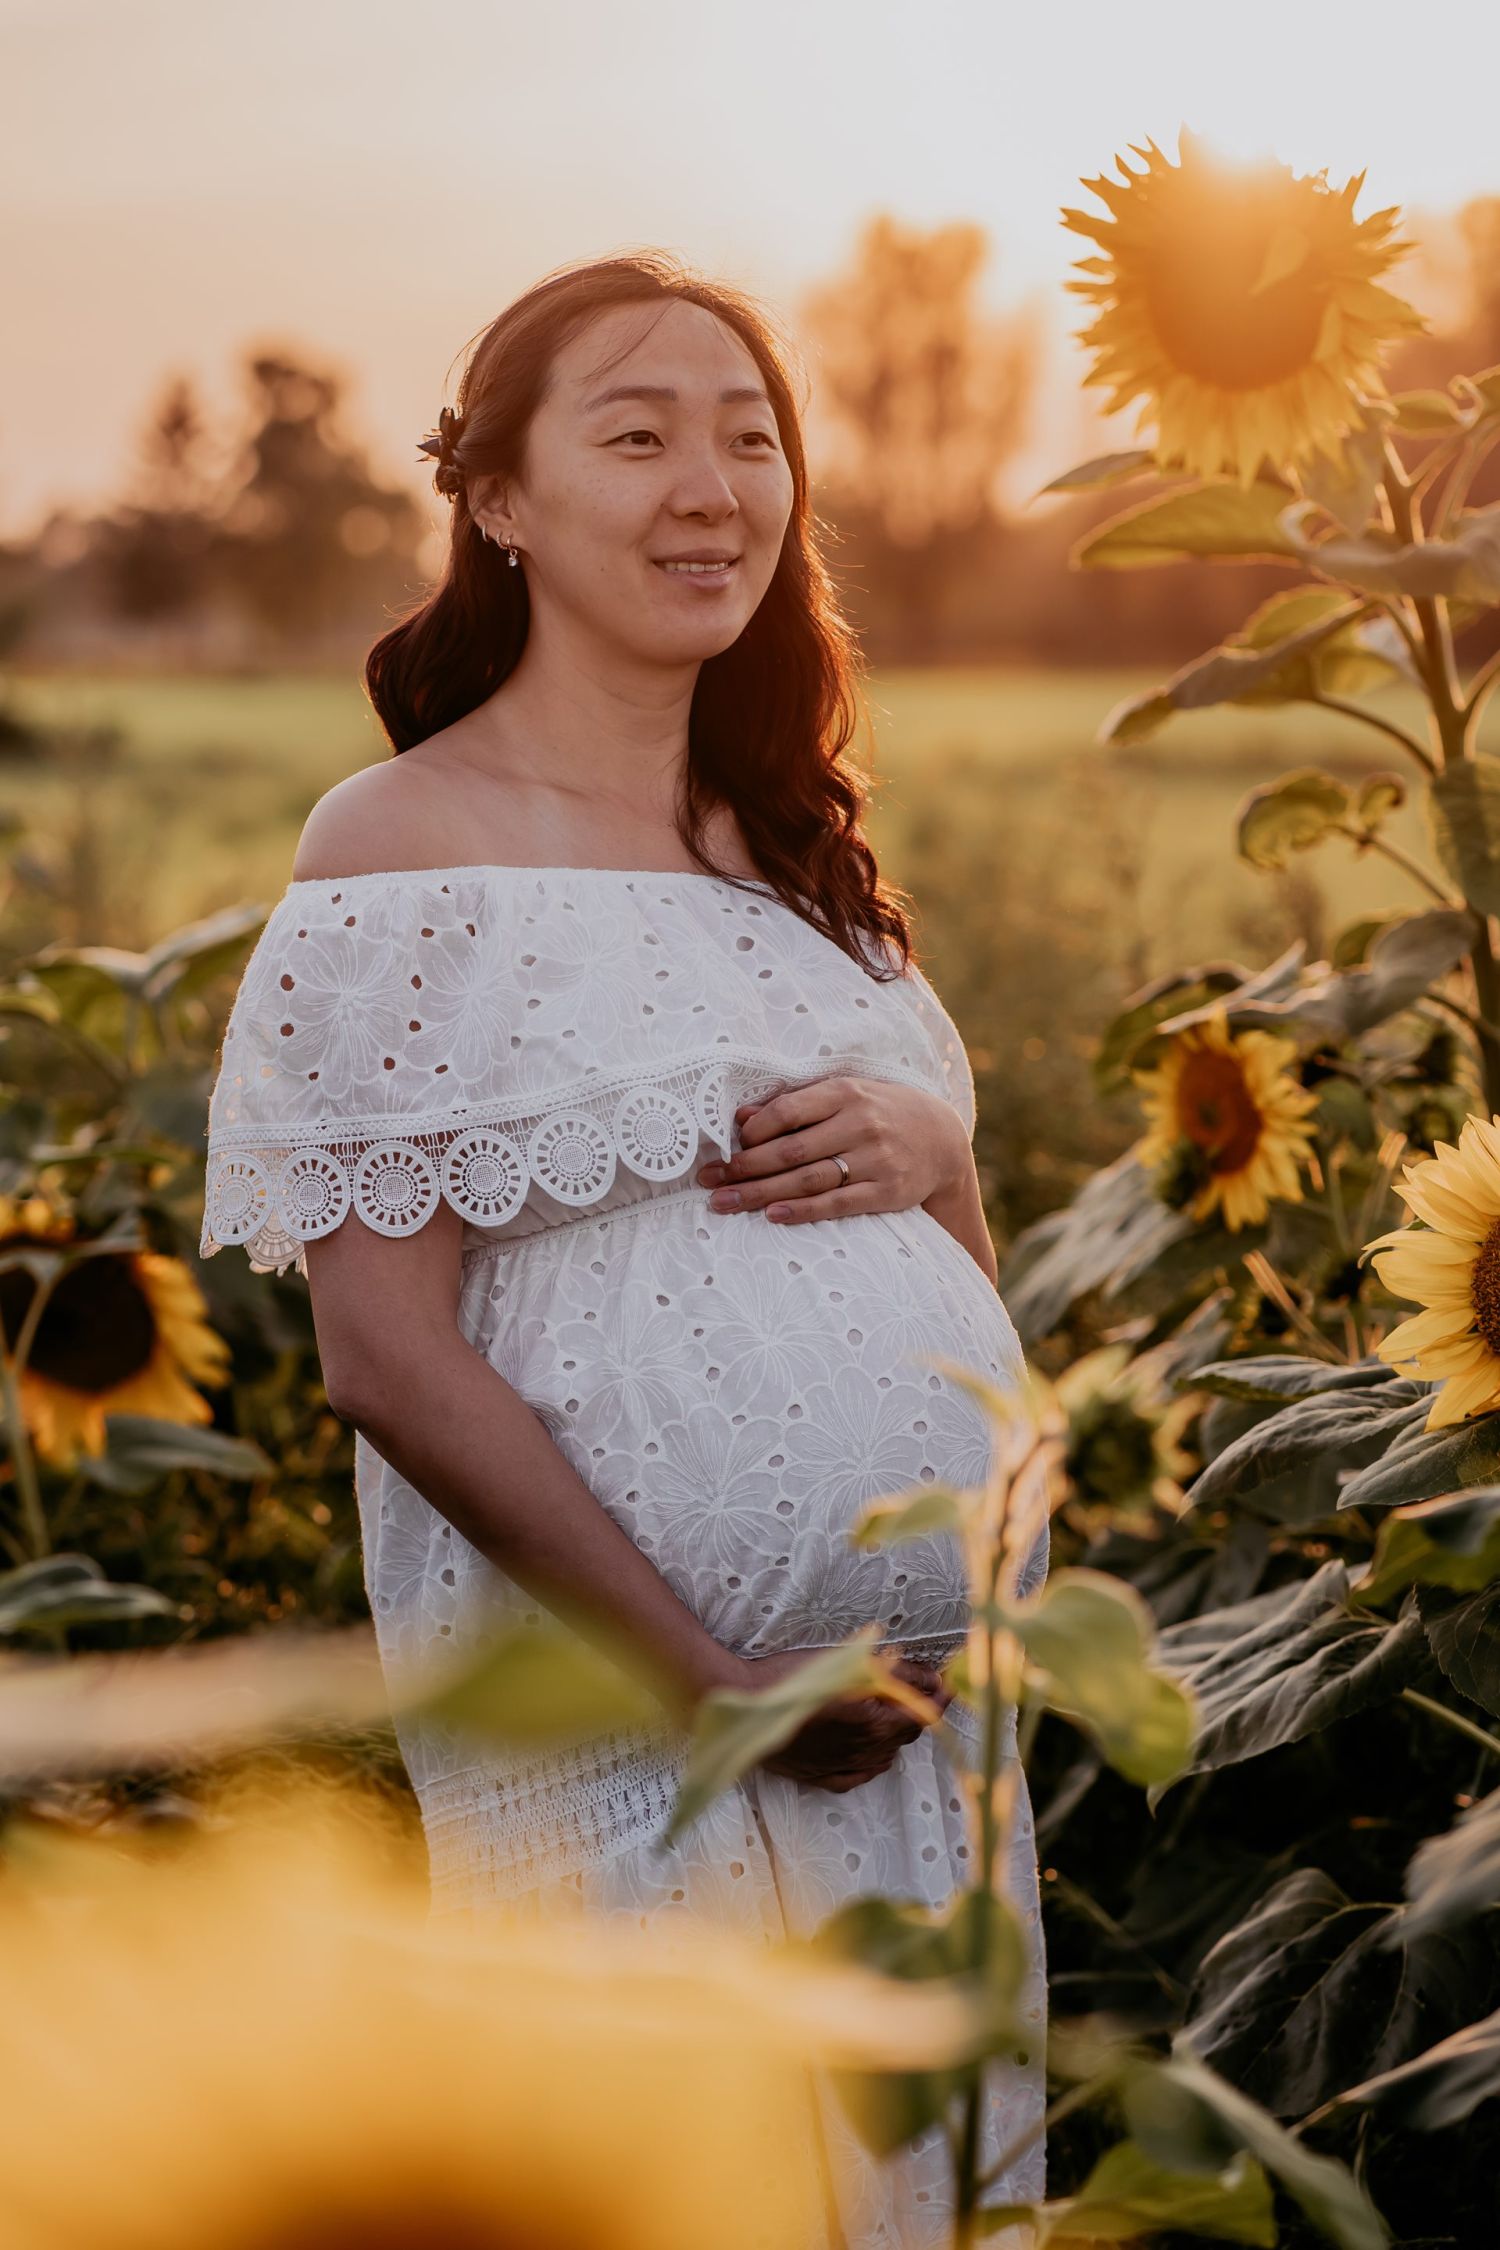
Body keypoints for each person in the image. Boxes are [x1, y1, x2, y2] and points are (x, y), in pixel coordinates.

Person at [200, 250, 1048, 2247]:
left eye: (753, 439)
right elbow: (384, 1358)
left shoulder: (808, 865)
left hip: (925, 1759)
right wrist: (712, 1683)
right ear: (495, 499)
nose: (713, 485)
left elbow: (967, 1300)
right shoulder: (397, 847)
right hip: (633, 1738)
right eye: (640, 432)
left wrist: (940, 1140)